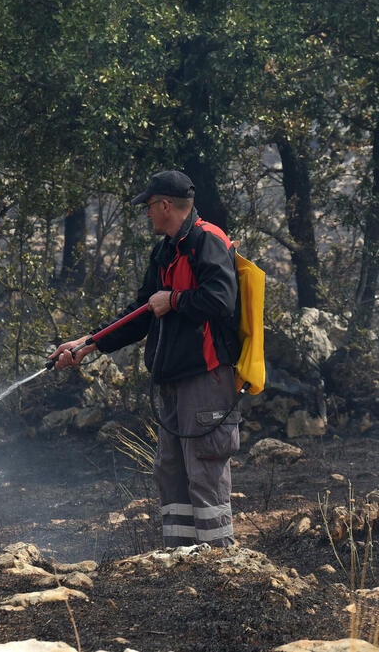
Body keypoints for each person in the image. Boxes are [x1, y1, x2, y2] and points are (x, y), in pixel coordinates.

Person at [49, 170, 242, 548]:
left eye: (150, 206)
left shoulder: (208, 242)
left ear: (166, 205)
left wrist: (173, 300)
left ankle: (220, 563)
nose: (147, 214)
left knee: (204, 468)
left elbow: (221, 301)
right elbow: (139, 313)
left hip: (206, 379)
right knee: (170, 470)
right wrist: (89, 344)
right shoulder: (165, 250)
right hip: (173, 379)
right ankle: (182, 561)